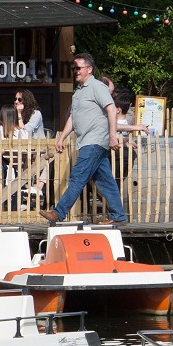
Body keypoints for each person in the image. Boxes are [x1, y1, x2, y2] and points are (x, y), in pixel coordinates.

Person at [40, 52, 127, 225]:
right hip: (86, 141)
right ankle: (119, 216)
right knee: (105, 181)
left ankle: (58, 213)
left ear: (89, 69)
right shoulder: (78, 91)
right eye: (74, 68)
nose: (75, 71)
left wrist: (112, 136)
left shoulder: (97, 87)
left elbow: (111, 109)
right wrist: (62, 138)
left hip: (94, 141)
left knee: (78, 176)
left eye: (78, 68)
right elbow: (73, 117)